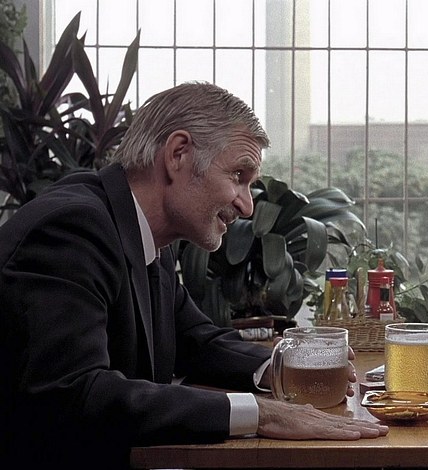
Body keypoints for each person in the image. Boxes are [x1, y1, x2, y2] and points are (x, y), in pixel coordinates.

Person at [0, 82, 388, 468]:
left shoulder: (142, 232)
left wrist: (280, 368)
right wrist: (261, 413)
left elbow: (196, 340)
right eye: (238, 175)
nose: (247, 206)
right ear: (179, 154)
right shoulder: (73, 229)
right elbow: (74, 393)